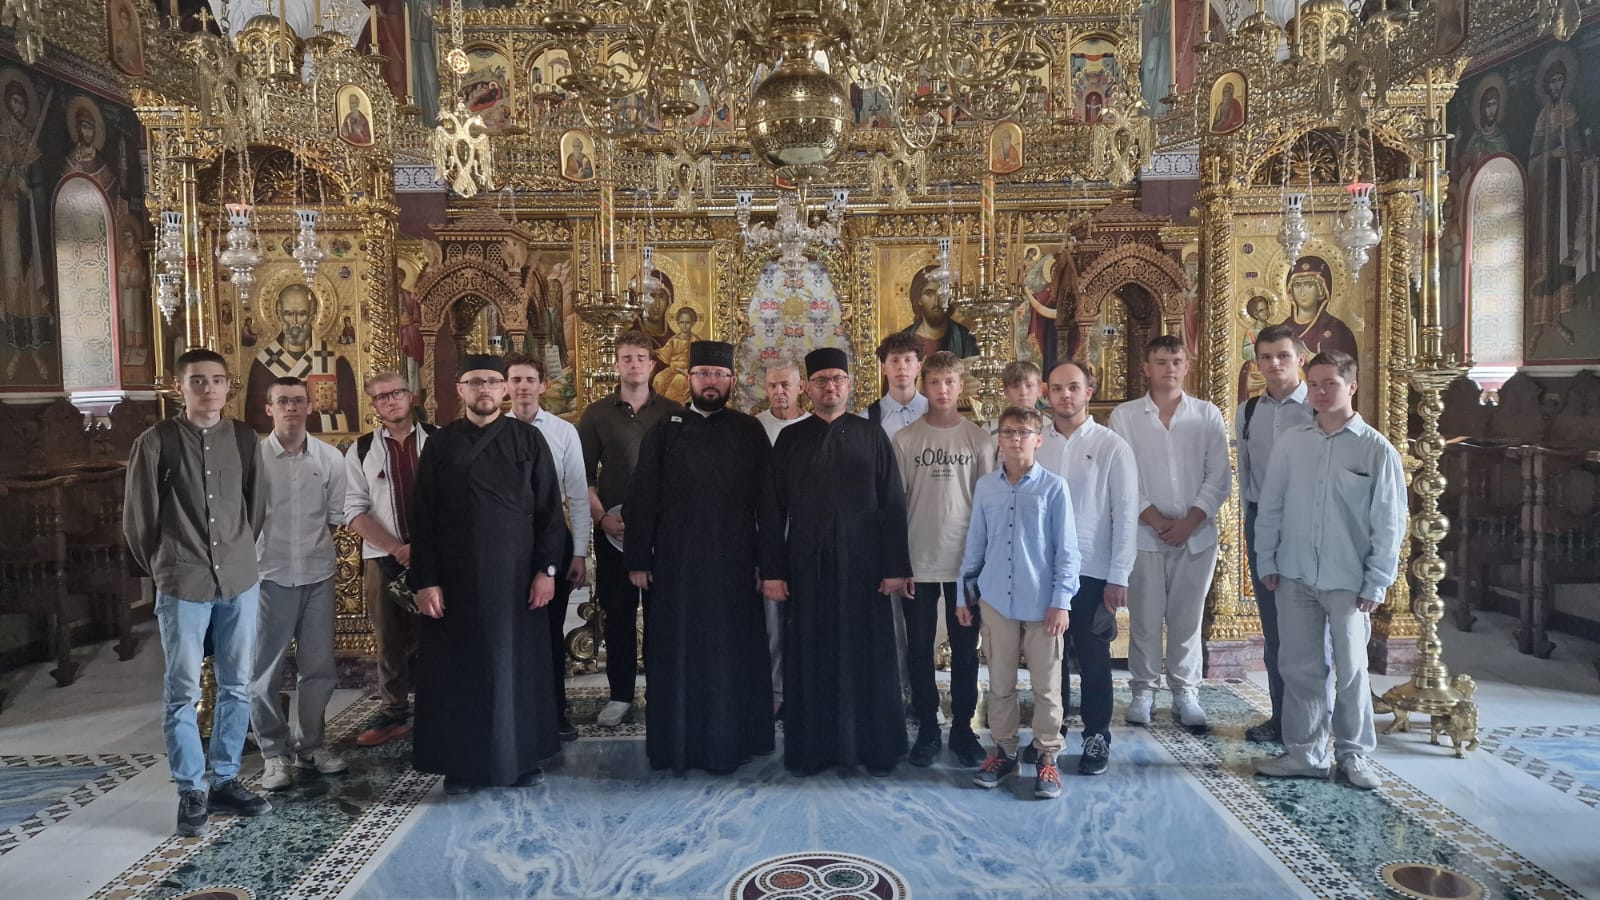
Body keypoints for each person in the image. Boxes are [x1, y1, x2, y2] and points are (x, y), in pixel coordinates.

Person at [123, 348, 272, 837]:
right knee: (182, 689)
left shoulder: (245, 439)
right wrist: (167, 565)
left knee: (237, 683)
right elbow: (139, 520)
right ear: (179, 387)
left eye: (216, 380)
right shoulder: (157, 442)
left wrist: (235, 554)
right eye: (197, 381)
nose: (208, 389)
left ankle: (225, 779)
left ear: (228, 385)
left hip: (238, 579)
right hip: (182, 579)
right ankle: (191, 789)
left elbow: (255, 508)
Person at [409, 355, 567, 793]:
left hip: (517, 580)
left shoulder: (528, 440)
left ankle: (521, 760)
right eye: (475, 382)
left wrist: (546, 570)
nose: (485, 389)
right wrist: (426, 579)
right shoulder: (440, 444)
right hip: (455, 581)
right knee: (460, 669)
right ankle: (462, 766)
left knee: (517, 669)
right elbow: (423, 517)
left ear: (504, 389)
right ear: (459, 389)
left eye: (493, 382)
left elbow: (550, 512)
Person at [1252, 351, 1406, 791]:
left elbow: (1389, 523)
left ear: (1351, 387)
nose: (1320, 392)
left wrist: (1377, 580)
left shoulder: (1375, 448)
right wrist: (1267, 560)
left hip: (1349, 580)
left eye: (1330, 384)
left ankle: (1354, 754)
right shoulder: (1292, 443)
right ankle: (1305, 753)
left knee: (1352, 670)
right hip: (1295, 573)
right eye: (1314, 384)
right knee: (1299, 667)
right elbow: (1271, 506)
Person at [760, 346, 912, 776]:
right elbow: (771, 509)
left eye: (838, 379)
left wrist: (895, 567)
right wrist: (773, 572)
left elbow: (893, 504)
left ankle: (873, 748)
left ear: (849, 385)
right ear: (807, 389)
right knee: (812, 656)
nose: (830, 386)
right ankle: (813, 750)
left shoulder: (871, 435)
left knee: (868, 656)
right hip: (807, 569)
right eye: (822, 380)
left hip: (865, 571)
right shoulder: (791, 439)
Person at [624, 341, 774, 773]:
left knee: (732, 652)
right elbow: (643, 495)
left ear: (731, 381)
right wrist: (638, 559)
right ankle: (678, 745)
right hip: (678, 563)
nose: (711, 382)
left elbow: (768, 502)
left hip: (735, 562)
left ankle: (733, 741)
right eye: (704, 373)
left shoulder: (748, 430)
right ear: (689, 379)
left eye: (719, 375)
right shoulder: (665, 429)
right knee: (679, 651)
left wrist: (767, 563)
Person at [1108, 334, 1231, 729]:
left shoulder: (1206, 414)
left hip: (1197, 535)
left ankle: (1184, 691)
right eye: (1161, 362)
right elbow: (1122, 476)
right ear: (1147, 368)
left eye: (1176, 361)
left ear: (1186, 365)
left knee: (1187, 619)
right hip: (1146, 535)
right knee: (1145, 619)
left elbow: (1219, 475)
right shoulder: (1126, 416)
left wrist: (1190, 521)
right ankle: (1143, 691)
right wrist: (1157, 520)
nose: (1169, 368)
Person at [961, 406, 1079, 800]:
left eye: (1024, 432)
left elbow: (1067, 551)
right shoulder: (986, 487)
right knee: (1000, 684)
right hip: (996, 600)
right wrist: (965, 594)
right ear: (999, 439)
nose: (1015, 439)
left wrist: (1061, 601)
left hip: (1043, 602)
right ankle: (1004, 751)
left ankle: (1047, 756)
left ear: (1038, 439)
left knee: (1046, 687)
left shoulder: (1054, 487)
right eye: (1008, 432)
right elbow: (975, 543)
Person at [1031, 360, 1137, 776]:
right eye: (1057, 388)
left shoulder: (1112, 446)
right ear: (1046, 392)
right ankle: (1050, 734)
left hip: (1092, 569)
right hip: (1044, 568)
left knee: (1093, 658)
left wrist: (1118, 576)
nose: (1065, 395)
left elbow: (1125, 515)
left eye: (1073, 387)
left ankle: (1097, 735)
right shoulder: (1038, 442)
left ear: (1088, 392)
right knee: (1049, 658)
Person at [891, 351, 995, 768]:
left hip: (963, 565)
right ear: (925, 386)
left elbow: (987, 507)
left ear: (960, 386)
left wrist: (981, 566)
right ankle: (928, 729)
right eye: (934, 382)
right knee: (919, 649)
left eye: (950, 382)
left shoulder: (978, 440)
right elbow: (895, 506)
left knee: (966, 652)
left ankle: (964, 729)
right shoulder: (906, 440)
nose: (942, 390)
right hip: (919, 560)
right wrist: (900, 564)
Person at [577, 330, 684, 727]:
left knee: (663, 617)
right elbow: (583, 477)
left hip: (662, 535)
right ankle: (620, 695)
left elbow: (684, 476)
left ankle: (663, 693)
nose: (635, 364)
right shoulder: (597, 414)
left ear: (653, 364)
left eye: (641, 357)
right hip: (615, 532)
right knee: (618, 615)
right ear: (617, 364)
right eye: (627, 358)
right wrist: (602, 518)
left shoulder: (674, 412)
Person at [250, 376, 349, 791]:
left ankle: (311, 746)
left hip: (316, 574)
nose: (291, 407)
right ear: (269, 409)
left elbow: (334, 516)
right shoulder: (254, 460)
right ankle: (274, 753)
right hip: (267, 576)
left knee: (318, 668)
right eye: (282, 401)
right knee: (263, 673)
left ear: (310, 407)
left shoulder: (330, 459)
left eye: (298, 401)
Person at [1235, 325, 1316, 744]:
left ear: (1300, 358)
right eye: (1265, 357)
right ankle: (1281, 716)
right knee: (1274, 626)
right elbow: (1247, 474)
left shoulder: (1317, 407)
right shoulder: (1249, 412)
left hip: (1308, 525)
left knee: (1311, 626)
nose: (1274, 364)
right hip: (1262, 523)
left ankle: (1314, 721)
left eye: (1282, 356)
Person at [343, 373, 433, 748]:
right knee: (389, 638)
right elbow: (354, 510)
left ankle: (440, 707)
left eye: (397, 393)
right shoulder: (362, 449)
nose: (391, 400)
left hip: (437, 557)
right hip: (383, 557)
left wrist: (425, 547)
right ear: (374, 405)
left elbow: (458, 500)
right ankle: (394, 713)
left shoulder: (440, 441)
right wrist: (398, 548)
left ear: (410, 396)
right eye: (382, 397)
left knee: (439, 633)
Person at [507, 354, 591, 740]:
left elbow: (577, 495)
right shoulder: (495, 430)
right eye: (516, 380)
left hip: (551, 542)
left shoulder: (563, 431)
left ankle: (555, 711)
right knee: (512, 632)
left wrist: (579, 553)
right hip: (508, 547)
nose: (523, 387)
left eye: (530, 380)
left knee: (550, 632)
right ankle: (515, 712)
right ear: (506, 386)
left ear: (542, 385)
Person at [754, 360, 810, 716]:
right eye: (773, 385)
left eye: (785, 385)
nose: (779, 392)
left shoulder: (814, 426)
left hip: (807, 532)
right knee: (771, 618)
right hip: (767, 531)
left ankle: (808, 686)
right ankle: (776, 689)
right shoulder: (755, 427)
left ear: (801, 387)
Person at [246, 283, 359, 434]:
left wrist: (303, 420)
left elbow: (351, 419)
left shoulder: (336, 362)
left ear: (312, 315)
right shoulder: (263, 363)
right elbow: (255, 421)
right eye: (288, 314)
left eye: (301, 314)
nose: (294, 322)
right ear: (279, 314)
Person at [899, 265, 979, 360]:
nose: (936, 302)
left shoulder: (965, 338)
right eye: (929, 294)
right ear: (919, 299)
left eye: (942, 294)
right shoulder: (903, 339)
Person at [863, 331, 928, 440]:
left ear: (919, 367)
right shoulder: (866, 418)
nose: (901, 367)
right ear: (884, 368)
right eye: (894, 360)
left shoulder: (936, 411)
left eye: (908, 360)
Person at [987, 360, 1043, 434]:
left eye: (1029, 386)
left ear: (1039, 390)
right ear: (1006, 391)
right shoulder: (990, 429)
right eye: (1015, 386)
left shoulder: (1052, 426)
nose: (1023, 392)